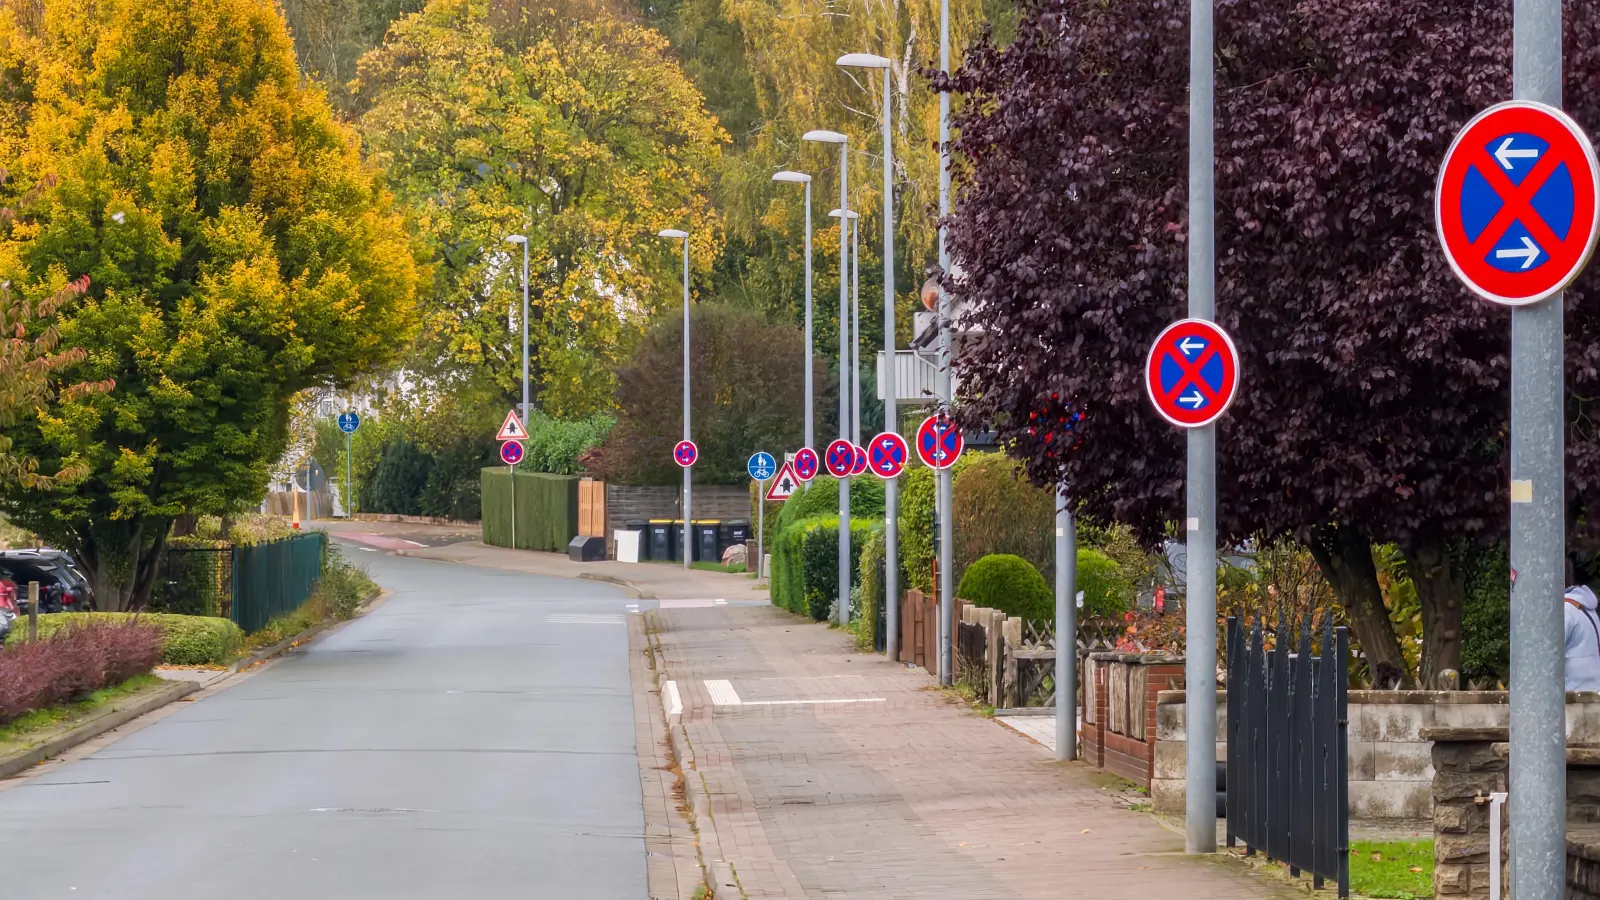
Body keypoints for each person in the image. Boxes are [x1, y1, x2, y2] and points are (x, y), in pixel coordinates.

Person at [1565, 585, 1600, 692]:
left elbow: (1551, 651)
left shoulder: (1566, 609)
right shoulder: (1589, 609)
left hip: (1572, 689)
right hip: (1593, 687)